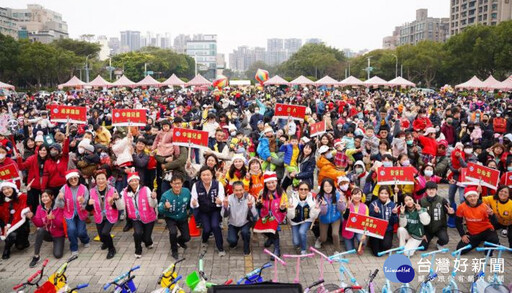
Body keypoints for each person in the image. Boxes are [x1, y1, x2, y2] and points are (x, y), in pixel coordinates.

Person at [86, 170, 123, 259]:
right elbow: (88, 209)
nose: (101, 181)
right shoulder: (91, 191)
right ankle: (106, 242)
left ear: (106, 180)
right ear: (95, 180)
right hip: (99, 216)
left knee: (105, 232)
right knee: (102, 237)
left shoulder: (113, 190)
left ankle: (111, 249)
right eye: (98, 179)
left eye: (103, 178)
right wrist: (88, 204)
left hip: (111, 215)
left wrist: (114, 201)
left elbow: (118, 207)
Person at [190, 166, 226, 256]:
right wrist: (194, 204)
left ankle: (220, 248)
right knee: (206, 229)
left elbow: (221, 198)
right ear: (200, 176)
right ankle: (204, 241)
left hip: (215, 210)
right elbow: (193, 201)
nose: (206, 177)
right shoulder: (196, 185)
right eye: (203, 175)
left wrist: (220, 202)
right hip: (203, 211)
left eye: (208, 175)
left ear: (212, 175)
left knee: (215, 226)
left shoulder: (218, 184)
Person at [122, 172, 157, 258]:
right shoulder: (125, 192)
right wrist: (116, 199)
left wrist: (153, 198)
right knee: (137, 233)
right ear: (128, 182)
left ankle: (148, 242)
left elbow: (153, 205)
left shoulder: (146, 189)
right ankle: (138, 249)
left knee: (146, 238)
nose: (134, 183)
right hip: (135, 218)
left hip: (149, 216)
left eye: (135, 180)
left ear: (139, 181)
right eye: (131, 181)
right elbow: (121, 205)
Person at [455, 186, 499, 254]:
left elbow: (495, 223)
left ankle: (488, 252)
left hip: (486, 230)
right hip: (473, 232)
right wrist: (463, 235)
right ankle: (477, 242)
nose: (472, 198)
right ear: (466, 198)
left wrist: (492, 215)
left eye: (474, 196)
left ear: (477, 196)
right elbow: (458, 222)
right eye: (469, 196)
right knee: (460, 250)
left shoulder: (484, 206)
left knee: (494, 240)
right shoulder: (461, 207)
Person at [55, 169, 90, 256]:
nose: (73, 181)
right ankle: (74, 247)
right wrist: (60, 198)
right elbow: (59, 205)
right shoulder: (63, 188)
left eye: (75, 179)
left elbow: (88, 202)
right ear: (68, 180)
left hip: (81, 212)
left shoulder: (84, 188)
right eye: (71, 179)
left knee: (81, 232)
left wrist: (84, 200)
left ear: (78, 179)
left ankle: (85, 240)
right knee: (71, 230)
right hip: (69, 213)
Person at [254, 171, 287, 260]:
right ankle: (271, 239)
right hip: (265, 215)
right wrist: (258, 204)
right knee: (261, 229)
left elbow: (285, 207)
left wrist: (283, 208)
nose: (271, 185)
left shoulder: (282, 193)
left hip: (277, 215)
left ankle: (277, 249)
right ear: (265, 183)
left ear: (276, 182)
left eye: (273, 182)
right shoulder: (262, 192)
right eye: (268, 183)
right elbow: (258, 205)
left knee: (274, 230)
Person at [158, 173, 191, 260]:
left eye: (179, 183)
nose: (177, 185)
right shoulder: (165, 195)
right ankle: (174, 250)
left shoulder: (187, 192)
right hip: (170, 217)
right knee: (173, 233)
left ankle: (179, 241)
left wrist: (190, 213)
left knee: (187, 237)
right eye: (175, 183)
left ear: (182, 183)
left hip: (182, 217)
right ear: (171, 184)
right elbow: (160, 209)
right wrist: (165, 206)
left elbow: (190, 204)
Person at [221, 181, 258, 256]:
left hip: (245, 222)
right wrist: (225, 206)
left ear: (244, 189)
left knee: (245, 233)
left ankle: (246, 247)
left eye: (240, 190)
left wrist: (251, 207)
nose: (238, 192)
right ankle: (235, 239)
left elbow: (255, 215)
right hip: (233, 223)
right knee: (231, 240)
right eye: (236, 190)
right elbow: (223, 215)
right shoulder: (229, 198)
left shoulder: (250, 197)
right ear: (233, 190)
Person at [30, 189, 64, 267]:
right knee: (40, 230)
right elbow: (39, 224)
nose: (44, 198)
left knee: (58, 255)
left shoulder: (58, 207)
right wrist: (32, 217)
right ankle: (36, 256)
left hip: (58, 234)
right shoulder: (39, 207)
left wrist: (54, 218)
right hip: (47, 233)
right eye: (42, 197)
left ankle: (59, 244)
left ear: (52, 197)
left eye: (46, 196)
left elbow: (61, 225)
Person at [0, 180, 32, 259]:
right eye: (3, 189)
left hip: (20, 225)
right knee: (12, 235)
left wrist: (29, 191)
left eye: (8, 188)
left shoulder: (22, 197)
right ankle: (7, 248)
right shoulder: (1, 200)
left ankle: (24, 241)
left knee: (20, 247)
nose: (6, 191)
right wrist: (4, 226)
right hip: (6, 226)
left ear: (13, 188)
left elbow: (30, 204)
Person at [287, 181, 319, 254]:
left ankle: (303, 250)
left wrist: (316, 209)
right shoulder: (292, 199)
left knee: (301, 232)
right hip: (294, 221)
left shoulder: (312, 199)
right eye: (301, 189)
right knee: (296, 242)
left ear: (308, 190)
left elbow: (313, 216)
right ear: (298, 190)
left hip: (306, 219)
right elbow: (290, 216)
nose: (303, 191)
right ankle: (298, 245)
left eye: (305, 189)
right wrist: (290, 209)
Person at [419, 182, 454, 250]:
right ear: (426, 190)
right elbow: (418, 217)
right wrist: (422, 233)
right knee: (422, 247)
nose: (431, 191)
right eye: (429, 189)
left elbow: (452, 215)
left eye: (433, 189)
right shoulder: (421, 201)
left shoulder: (442, 200)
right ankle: (428, 238)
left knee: (444, 239)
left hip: (439, 227)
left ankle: (439, 243)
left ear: (436, 190)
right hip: (427, 228)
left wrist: (451, 213)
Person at [315, 178, 346, 253]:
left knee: (335, 234)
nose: (328, 188)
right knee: (323, 238)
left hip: (336, 217)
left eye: (330, 186)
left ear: (333, 186)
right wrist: (323, 206)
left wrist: (341, 203)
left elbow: (342, 209)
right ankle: (319, 240)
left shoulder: (338, 194)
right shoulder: (319, 196)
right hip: (324, 218)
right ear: (322, 187)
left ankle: (337, 250)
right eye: (325, 186)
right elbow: (322, 213)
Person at [369, 185, 398, 256]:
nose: (383, 195)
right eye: (381, 193)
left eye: (386, 193)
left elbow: (394, 222)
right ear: (378, 194)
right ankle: (371, 242)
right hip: (376, 230)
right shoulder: (373, 204)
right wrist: (376, 213)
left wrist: (394, 214)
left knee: (386, 246)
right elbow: (371, 219)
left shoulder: (392, 205)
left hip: (387, 230)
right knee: (377, 253)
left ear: (389, 194)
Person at [342, 188, 368, 253]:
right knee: (350, 251)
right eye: (355, 194)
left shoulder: (365, 207)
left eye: (359, 194)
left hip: (359, 229)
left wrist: (364, 234)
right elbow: (345, 217)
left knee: (361, 238)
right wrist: (348, 208)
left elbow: (366, 221)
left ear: (362, 196)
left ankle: (361, 244)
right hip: (348, 229)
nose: (357, 196)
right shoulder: (347, 204)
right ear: (351, 196)